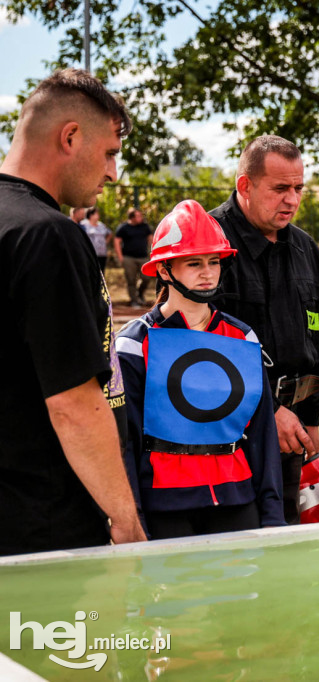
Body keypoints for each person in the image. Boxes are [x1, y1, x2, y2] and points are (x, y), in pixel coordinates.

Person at [0, 68, 146, 555]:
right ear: (70, 137)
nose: (112, 173)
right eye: (109, 154)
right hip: (43, 530)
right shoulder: (47, 235)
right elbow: (73, 404)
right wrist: (125, 521)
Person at [115, 200, 285, 538]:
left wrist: (273, 514)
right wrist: (133, 519)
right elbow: (125, 443)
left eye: (214, 261)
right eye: (194, 263)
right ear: (164, 270)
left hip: (237, 498)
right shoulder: (133, 344)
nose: (208, 272)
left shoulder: (243, 337)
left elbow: (263, 434)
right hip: (163, 504)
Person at [209, 135, 319, 525]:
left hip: (291, 432)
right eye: (280, 188)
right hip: (225, 438)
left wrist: (310, 419)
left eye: (298, 188)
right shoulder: (206, 244)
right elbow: (196, 349)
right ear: (244, 185)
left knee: (289, 549)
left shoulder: (306, 250)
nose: (292, 200)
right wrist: (266, 411)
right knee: (235, 555)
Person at [115, 208, 154, 307]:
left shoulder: (145, 227)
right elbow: (117, 242)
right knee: (131, 280)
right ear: (132, 217)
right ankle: (134, 301)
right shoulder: (123, 227)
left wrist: (154, 253)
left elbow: (151, 240)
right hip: (128, 258)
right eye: (138, 216)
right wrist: (120, 257)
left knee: (146, 278)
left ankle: (140, 294)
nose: (141, 218)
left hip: (143, 257)